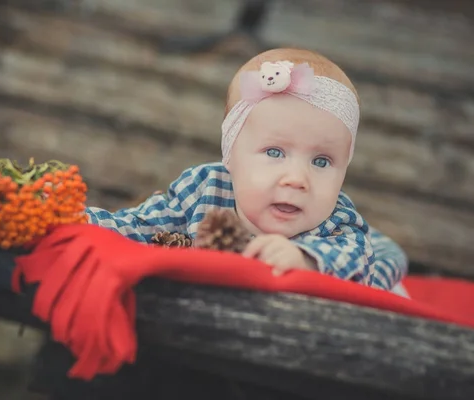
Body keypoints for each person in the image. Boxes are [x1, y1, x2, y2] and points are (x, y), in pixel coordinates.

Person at [86, 48, 408, 292]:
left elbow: (352, 259)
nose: (297, 179)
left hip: (368, 270)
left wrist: (306, 259)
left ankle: (388, 252)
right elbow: (139, 225)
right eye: (274, 152)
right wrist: (79, 219)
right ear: (231, 156)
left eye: (321, 161)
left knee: (384, 260)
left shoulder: (337, 224)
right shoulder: (205, 189)